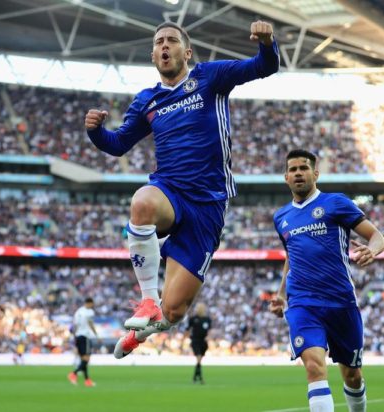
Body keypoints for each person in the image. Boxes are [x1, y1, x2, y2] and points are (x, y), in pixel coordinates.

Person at [85, 20, 279, 359]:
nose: (164, 45)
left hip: (208, 205)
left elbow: (265, 66)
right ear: (153, 56)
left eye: (171, 40)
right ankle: (147, 301)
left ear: (186, 52)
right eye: (159, 42)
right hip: (170, 190)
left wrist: (266, 43)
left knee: (174, 311)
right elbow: (117, 145)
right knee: (142, 203)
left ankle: (143, 331)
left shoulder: (210, 77)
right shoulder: (147, 100)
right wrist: (96, 132)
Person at [269, 149, 384, 412]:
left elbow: (376, 235)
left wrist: (373, 250)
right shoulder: (281, 217)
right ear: (286, 177)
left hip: (340, 302)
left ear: (315, 173)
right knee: (313, 367)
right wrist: (280, 294)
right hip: (303, 303)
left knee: (352, 376)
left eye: (304, 168)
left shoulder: (336, 203)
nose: (298, 172)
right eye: (293, 169)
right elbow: (292, 255)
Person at [68, 297, 100, 387]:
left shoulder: (78, 312)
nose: (92, 306)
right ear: (89, 303)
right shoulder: (90, 312)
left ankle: (87, 380)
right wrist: (97, 335)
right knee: (87, 359)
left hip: (78, 336)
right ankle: (73, 373)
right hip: (85, 336)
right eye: (92, 304)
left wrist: (75, 338)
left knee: (83, 359)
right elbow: (91, 324)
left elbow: (74, 326)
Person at [185, 302, 211, 384]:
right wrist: (186, 339)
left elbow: (209, 331)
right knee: (199, 358)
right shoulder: (193, 319)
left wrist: (208, 337)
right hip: (195, 341)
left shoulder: (207, 319)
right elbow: (187, 329)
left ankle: (195, 377)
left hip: (203, 341)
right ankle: (200, 378)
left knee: (199, 360)